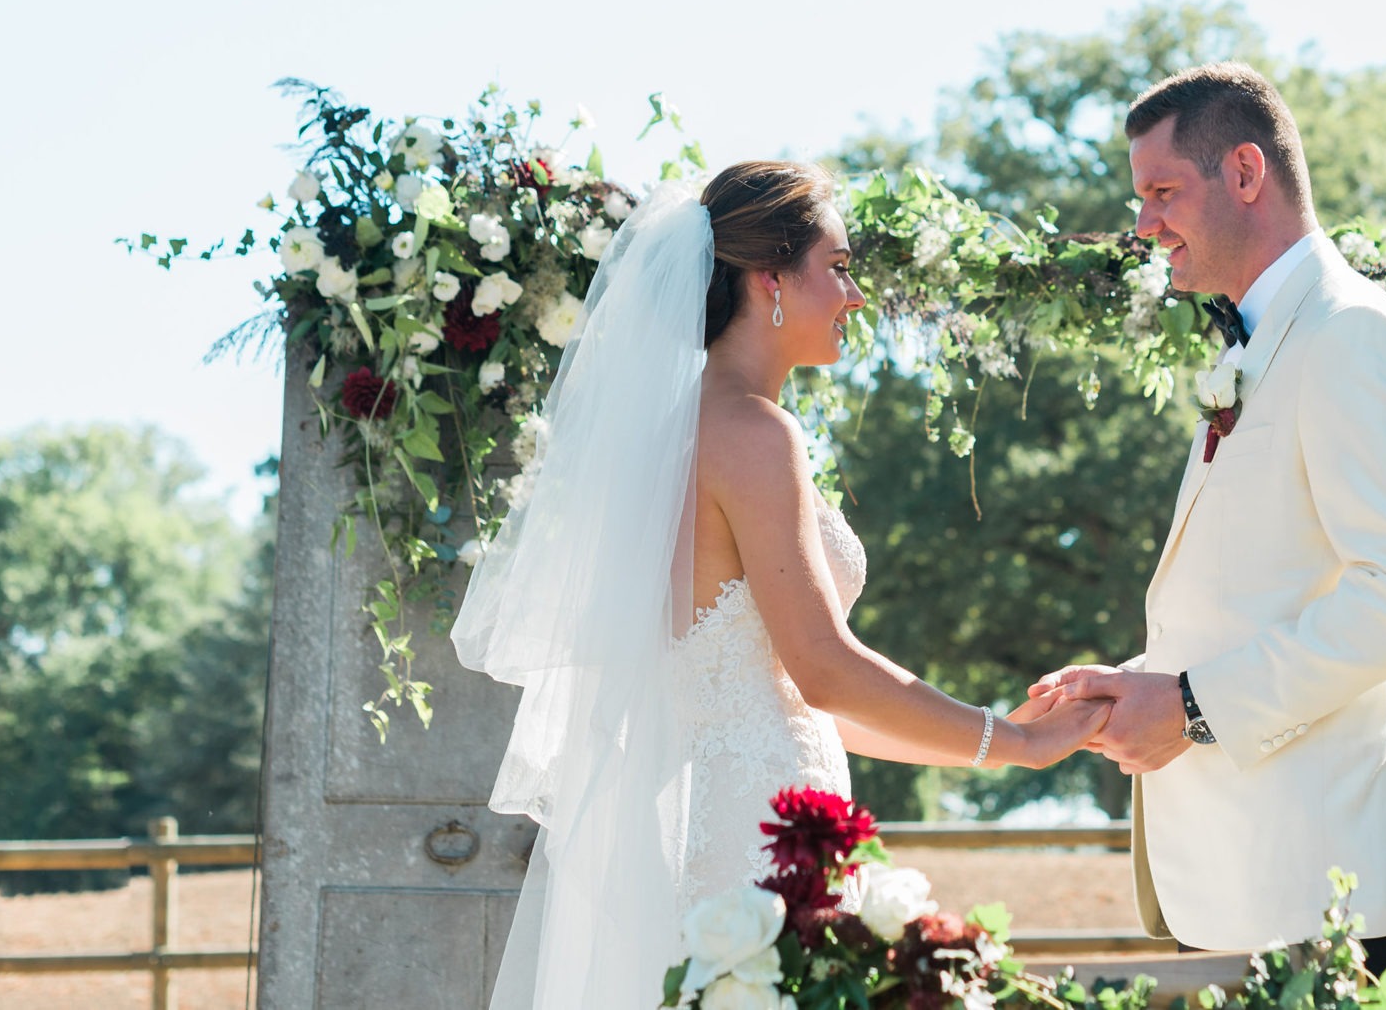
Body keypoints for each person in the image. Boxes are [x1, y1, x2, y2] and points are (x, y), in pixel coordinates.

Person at [454, 162, 1108, 1010]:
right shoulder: (754, 433)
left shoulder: (682, 434)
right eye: (837, 266)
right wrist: (1015, 746)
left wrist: (993, 734)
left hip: (748, 810)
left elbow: (803, 702)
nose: (856, 294)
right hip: (757, 836)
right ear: (769, 278)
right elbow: (824, 670)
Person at [1032, 63, 1386, 974]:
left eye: (1162, 192)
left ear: (1244, 172)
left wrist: (1190, 706)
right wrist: (1139, 686)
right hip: (1238, 885)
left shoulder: (1351, 332)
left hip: (1319, 891)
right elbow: (1256, 593)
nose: (1143, 224)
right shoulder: (1260, 337)